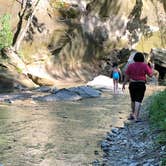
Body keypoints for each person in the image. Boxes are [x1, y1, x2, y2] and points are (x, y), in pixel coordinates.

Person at [122, 52, 153, 122]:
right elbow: (150, 75)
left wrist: (124, 84)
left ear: (134, 58)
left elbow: (127, 75)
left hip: (132, 84)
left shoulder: (130, 65)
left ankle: (133, 114)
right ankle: (136, 116)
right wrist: (152, 68)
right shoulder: (145, 66)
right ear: (142, 58)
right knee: (138, 100)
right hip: (141, 84)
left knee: (133, 100)